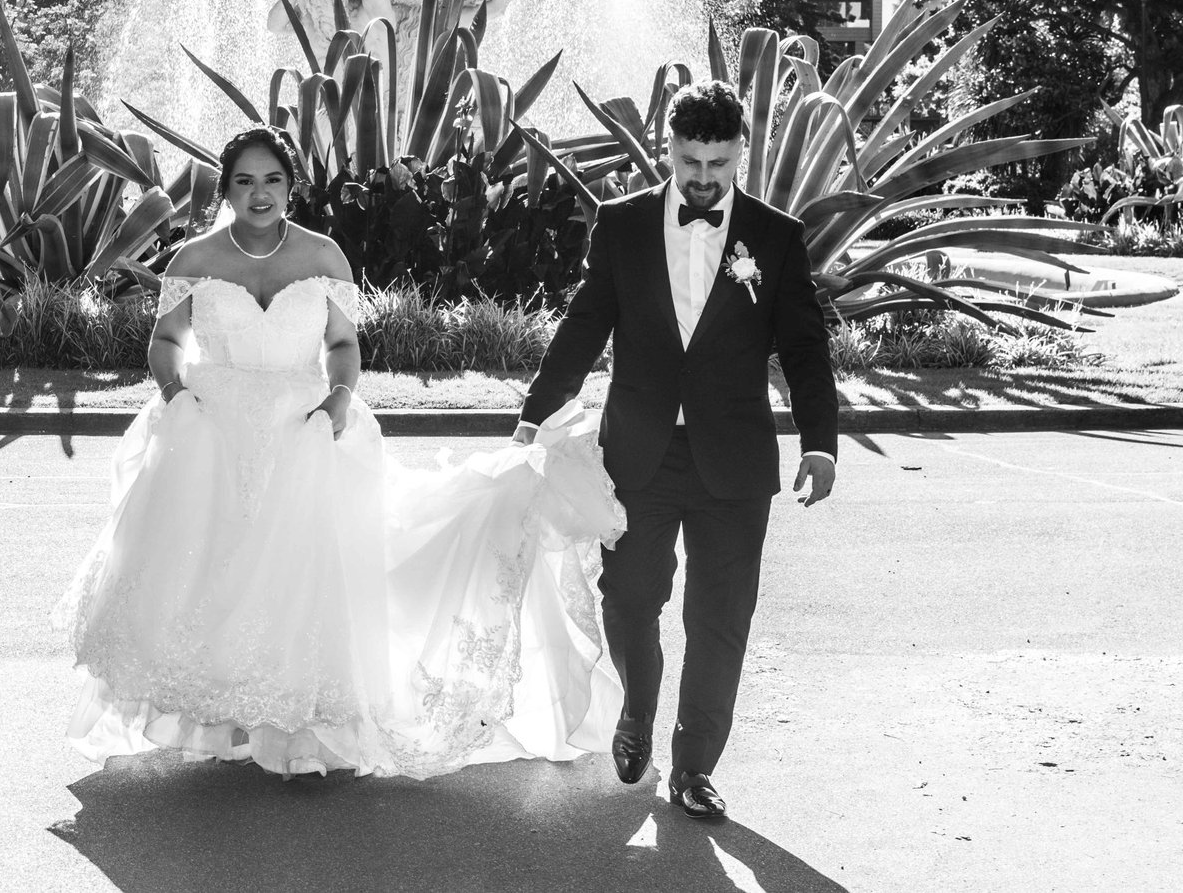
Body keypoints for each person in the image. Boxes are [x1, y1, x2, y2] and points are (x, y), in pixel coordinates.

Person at [56, 126, 626, 779]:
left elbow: (343, 346)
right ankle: (224, 720)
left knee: (305, 574)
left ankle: (299, 732)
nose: (260, 194)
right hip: (212, 434)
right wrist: (174, 393)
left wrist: (339, 398)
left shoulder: (324, 256)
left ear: (291, 186)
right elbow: (165, 341)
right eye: (245, 181)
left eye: (273, 180)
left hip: (305, 431)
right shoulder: (195, 257)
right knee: (209, 572)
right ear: (227, 189)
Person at [514, 80, 839, 819]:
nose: (703, 177)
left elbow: (805, 349)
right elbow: (584, 325)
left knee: (720, 619)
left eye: (718, 163)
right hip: (640, 452)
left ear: (740, 154)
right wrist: (535, 415)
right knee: (630, 598)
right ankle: (637, 711)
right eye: (691, 160)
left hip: (736, 461)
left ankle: (695, 769)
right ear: (669, 149)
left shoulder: (776, 236)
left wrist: (820, 443)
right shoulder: (622, 224)